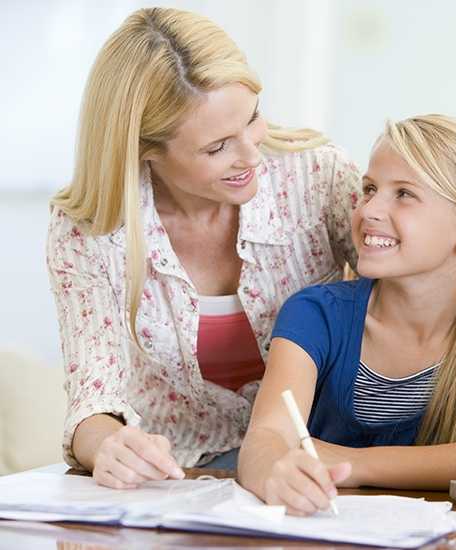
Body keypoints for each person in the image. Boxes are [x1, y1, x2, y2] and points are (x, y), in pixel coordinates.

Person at [46, 7, 359, 489]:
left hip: (322, 462)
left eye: (253, 119)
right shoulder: (90, 228)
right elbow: (94, 399)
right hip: (177, 478)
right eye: (217, 148)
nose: (252, 155)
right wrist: (110, 446)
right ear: (145, 149)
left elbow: (420, 291)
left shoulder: (317, 178)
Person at [239, 114, 456, 515]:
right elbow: (266, 436)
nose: (370, 209)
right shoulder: (315, 313)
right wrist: (273, 472)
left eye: (403, 194)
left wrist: (358, 465)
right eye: (370, 189)